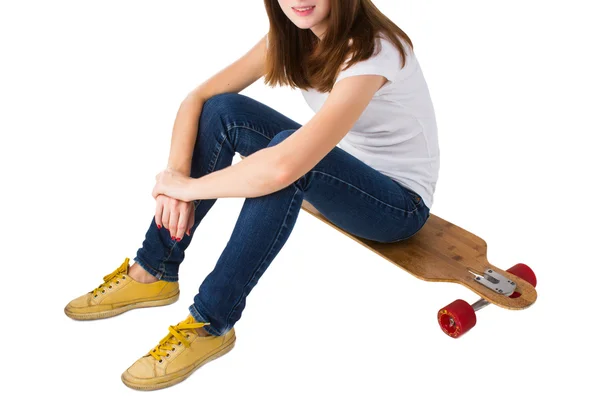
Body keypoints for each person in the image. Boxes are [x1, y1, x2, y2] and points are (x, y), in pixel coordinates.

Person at [64, 0, 439, 391]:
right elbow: (197, 99)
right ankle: (152, 270)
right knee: (223, 110)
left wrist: (188, 188)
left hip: (396, 206)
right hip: (336, 172)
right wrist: (174, 176)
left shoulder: (374, 52)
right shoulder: (293, 36)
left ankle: (212, 322)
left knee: (288, 157)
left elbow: (281, 168)